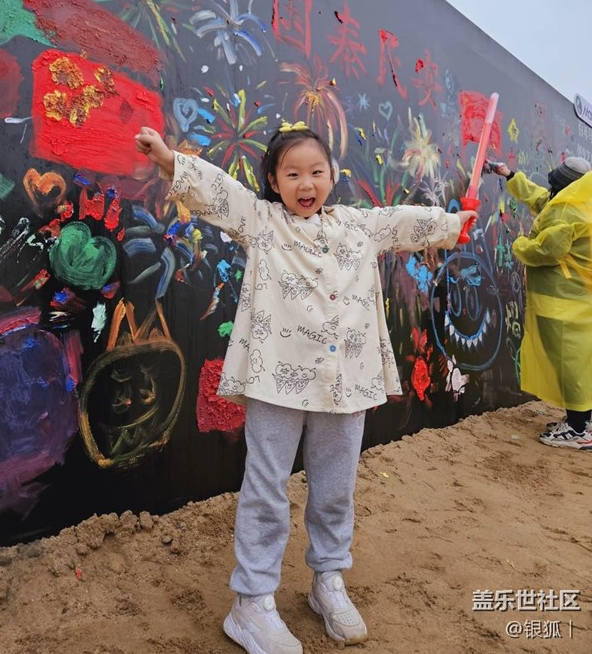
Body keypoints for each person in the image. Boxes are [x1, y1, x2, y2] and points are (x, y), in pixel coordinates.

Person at [135, 121, 477, 653]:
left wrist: (453, 224)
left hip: (347, 381)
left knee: (336, 488)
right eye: (291, 174)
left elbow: (405, 221)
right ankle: (251, 603)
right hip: (276, 381)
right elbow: (218, 192)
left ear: (332, 175)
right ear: (274, 182)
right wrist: (167, 159)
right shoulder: (262, 222)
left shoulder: (360, 226)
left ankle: (328, 580)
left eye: (316, 171)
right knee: (266, 488)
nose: (306, 183)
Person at [490, 156, 592, 449]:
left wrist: (520, 245)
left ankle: (578, 430)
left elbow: (549, 250)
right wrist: (510, 175)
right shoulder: (580, 202)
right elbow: (541, 199)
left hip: (562, 302)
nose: (550, 189)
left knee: (568, 363)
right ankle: (584, 421)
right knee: (580, 362)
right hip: (577, 301)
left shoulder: (567, 212)